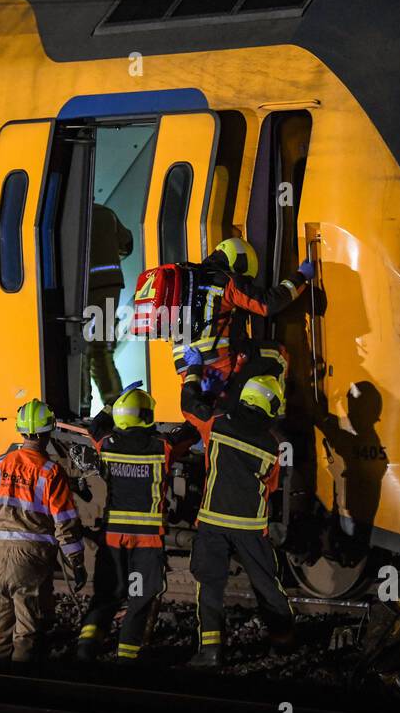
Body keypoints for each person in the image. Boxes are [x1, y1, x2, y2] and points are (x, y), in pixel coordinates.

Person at [180, 357, 296, 667]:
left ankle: (211, 651)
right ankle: (283, 643)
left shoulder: (218, 421)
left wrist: (193, 371)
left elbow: (189, 405)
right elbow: (271, 486)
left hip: (213, 520)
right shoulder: (274, 446)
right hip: (250, 525)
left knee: (210, 583)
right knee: (267, 584)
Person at [76, 384, 198, 663]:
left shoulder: (106, 444)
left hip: (113, 537)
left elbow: (97, 425)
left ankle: (86, 648)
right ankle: (127, 657)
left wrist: (113, 401)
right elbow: (192, 432)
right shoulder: (162, 447)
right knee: (141, 596)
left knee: (107, 593)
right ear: (147, 415)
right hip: (147, 539)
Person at [0, 399, 86, 663]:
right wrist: (77, 563)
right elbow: (65, 523)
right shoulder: (50, 471)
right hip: (31, 561)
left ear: (21, 430)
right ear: (48, 432)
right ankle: (20, 691)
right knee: (26, 633)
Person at [173, 237, 314, 400]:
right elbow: (267, 304)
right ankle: (279, 416)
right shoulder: (226, 281)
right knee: (278, 356)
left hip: (186, 367)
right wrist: (301, 276)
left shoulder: (187, 283)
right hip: (217, 362)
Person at [86, 203, 134, 407]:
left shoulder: (70, 212)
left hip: (85, 286)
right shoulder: (107, 212)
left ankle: (82, 406)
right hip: (111, 283)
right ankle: (115, 405)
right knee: (102, 348)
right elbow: (127, 244)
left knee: (82, 350)